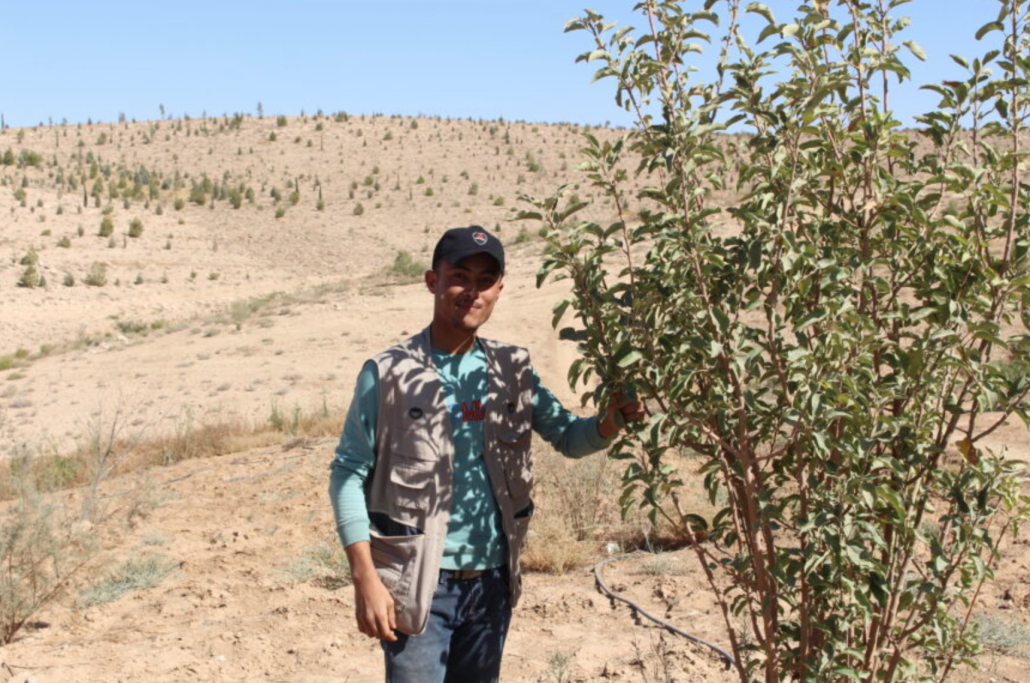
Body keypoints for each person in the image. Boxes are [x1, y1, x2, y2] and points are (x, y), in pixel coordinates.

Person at [329, 225, 644, 683]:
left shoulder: (512, 369)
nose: (471, 290)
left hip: (494, 583)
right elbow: (347, 474)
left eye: (485, 279)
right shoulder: (389, 373)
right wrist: (365, 579)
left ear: (499, 289)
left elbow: (570, 438)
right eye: (459, 275)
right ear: (432, 280)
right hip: (418, 583)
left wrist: (610, 421)